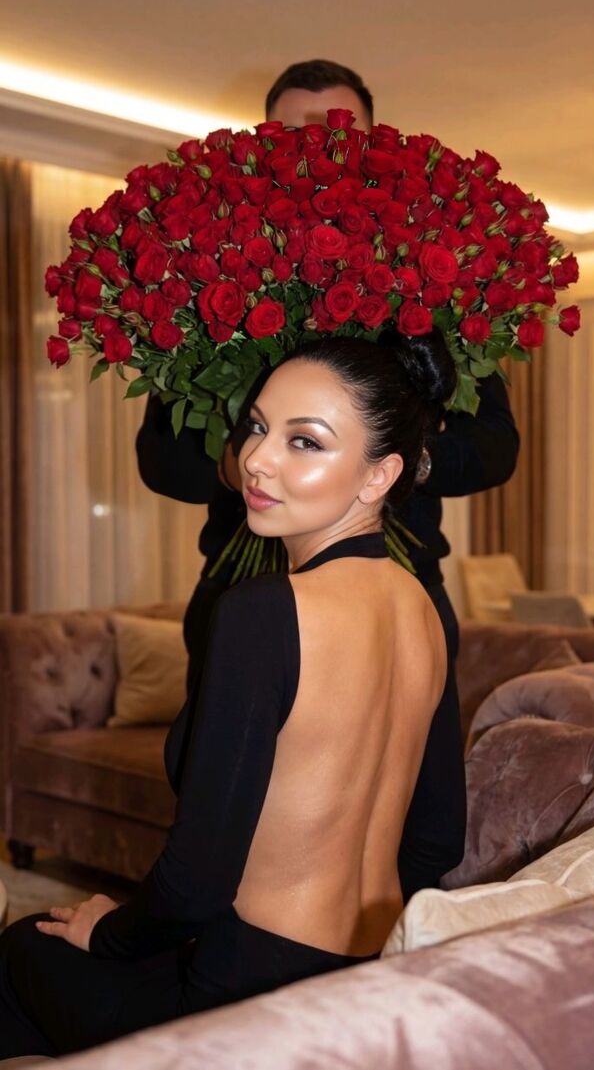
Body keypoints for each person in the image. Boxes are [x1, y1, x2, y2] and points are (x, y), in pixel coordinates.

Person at [0, 330, 452, 1058]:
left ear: (380, 475)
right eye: (258, 427)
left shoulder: (263, 611)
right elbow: (437, 839)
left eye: (304, 441)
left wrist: (109, 932)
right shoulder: (424, 610)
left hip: (243, 996)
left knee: (26, 945)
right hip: (364, 980)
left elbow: (198, 881)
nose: (257, 460)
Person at [136, 59, 520, 886]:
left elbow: (497, 447)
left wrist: (385, 464)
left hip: (402, 580)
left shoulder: (431, 272)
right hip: (240, 579)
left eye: (338, 131)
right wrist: (255, 459)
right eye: (294, 134)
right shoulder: (215, 272)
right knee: (213, 801)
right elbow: (160, 459)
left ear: (377, 143)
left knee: (411, 818)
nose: (317, 149)